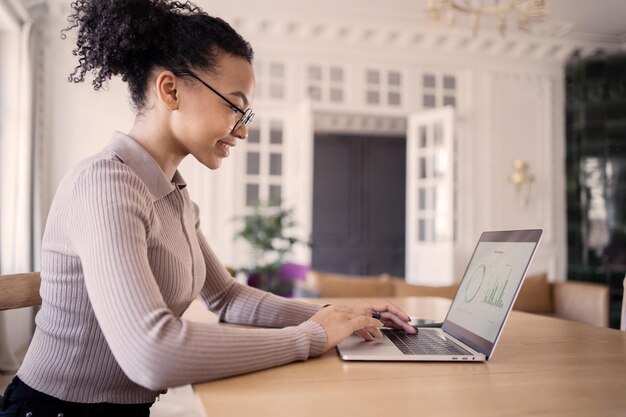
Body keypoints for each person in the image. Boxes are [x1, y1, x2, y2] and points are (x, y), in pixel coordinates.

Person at [0, 0, 416, 415]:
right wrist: (308, 337)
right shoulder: (106, 184)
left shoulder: (173, 195)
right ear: (171, 90)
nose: (244, 129)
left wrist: (334, 314)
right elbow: (152, 353)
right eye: (234, 106)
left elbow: (228, 298)